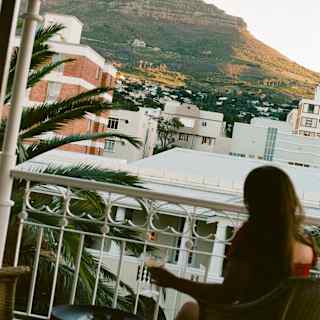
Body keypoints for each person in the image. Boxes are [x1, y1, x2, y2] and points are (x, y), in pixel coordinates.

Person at [149, 166, 318, 320]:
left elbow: (226, 294)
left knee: (188, 310)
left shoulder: (252, 237)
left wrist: (173, 281)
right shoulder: (307, 244)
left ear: (253, 200)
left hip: (247, 317)